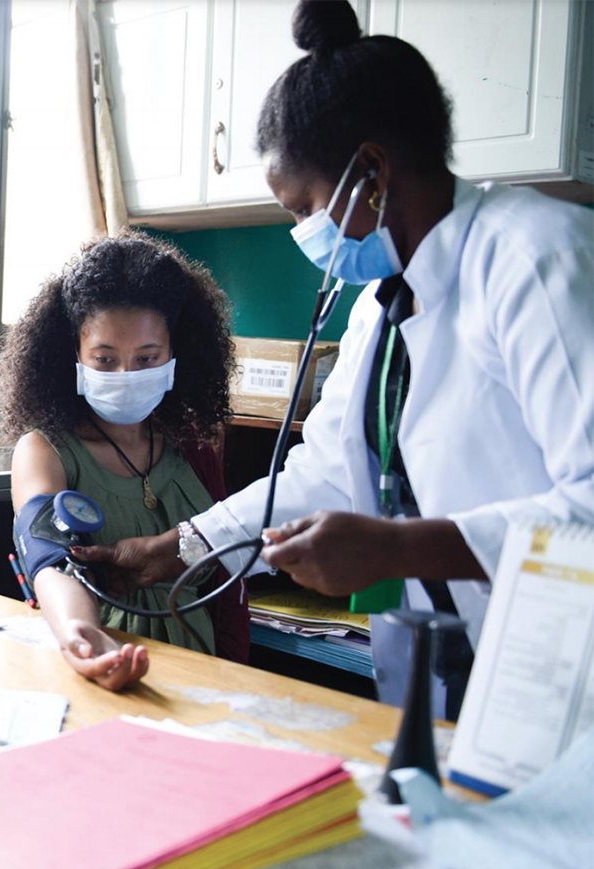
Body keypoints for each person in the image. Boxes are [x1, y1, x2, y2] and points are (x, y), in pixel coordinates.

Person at [77, 0, 594, 718]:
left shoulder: (537, 258)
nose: (303, 231)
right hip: (453, 663)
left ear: (372, 174)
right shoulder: (377, 307)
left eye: (303, 208)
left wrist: (399, 549)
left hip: (569, 676)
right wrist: (177, 547)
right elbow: (322, 478)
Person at [0, 231, 247, 691]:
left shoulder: (195, 444)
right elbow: (46, 555)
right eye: (105, 359)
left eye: (147, 357)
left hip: (202, 674)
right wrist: (82, 634)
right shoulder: (43, 450)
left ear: (176, 353)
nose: (126, 376)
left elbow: (226, 575)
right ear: (72, 354)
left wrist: (235, 673)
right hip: (95, 666)